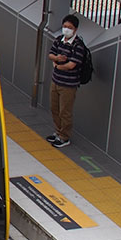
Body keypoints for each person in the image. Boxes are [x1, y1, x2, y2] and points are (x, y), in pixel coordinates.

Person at [47, 14, 88, 148]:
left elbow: (71, 65)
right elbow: (50, 54)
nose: (66, 29)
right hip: (56, 81)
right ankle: (58, 132)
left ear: (75, 29)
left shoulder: (78, 45)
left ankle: (64, 136)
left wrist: (57, 65)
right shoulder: (59, 40)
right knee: (54, 108)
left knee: (65, 111)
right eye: (64, 26)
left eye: (69, 28)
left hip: (68, 85)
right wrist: (57, 58)